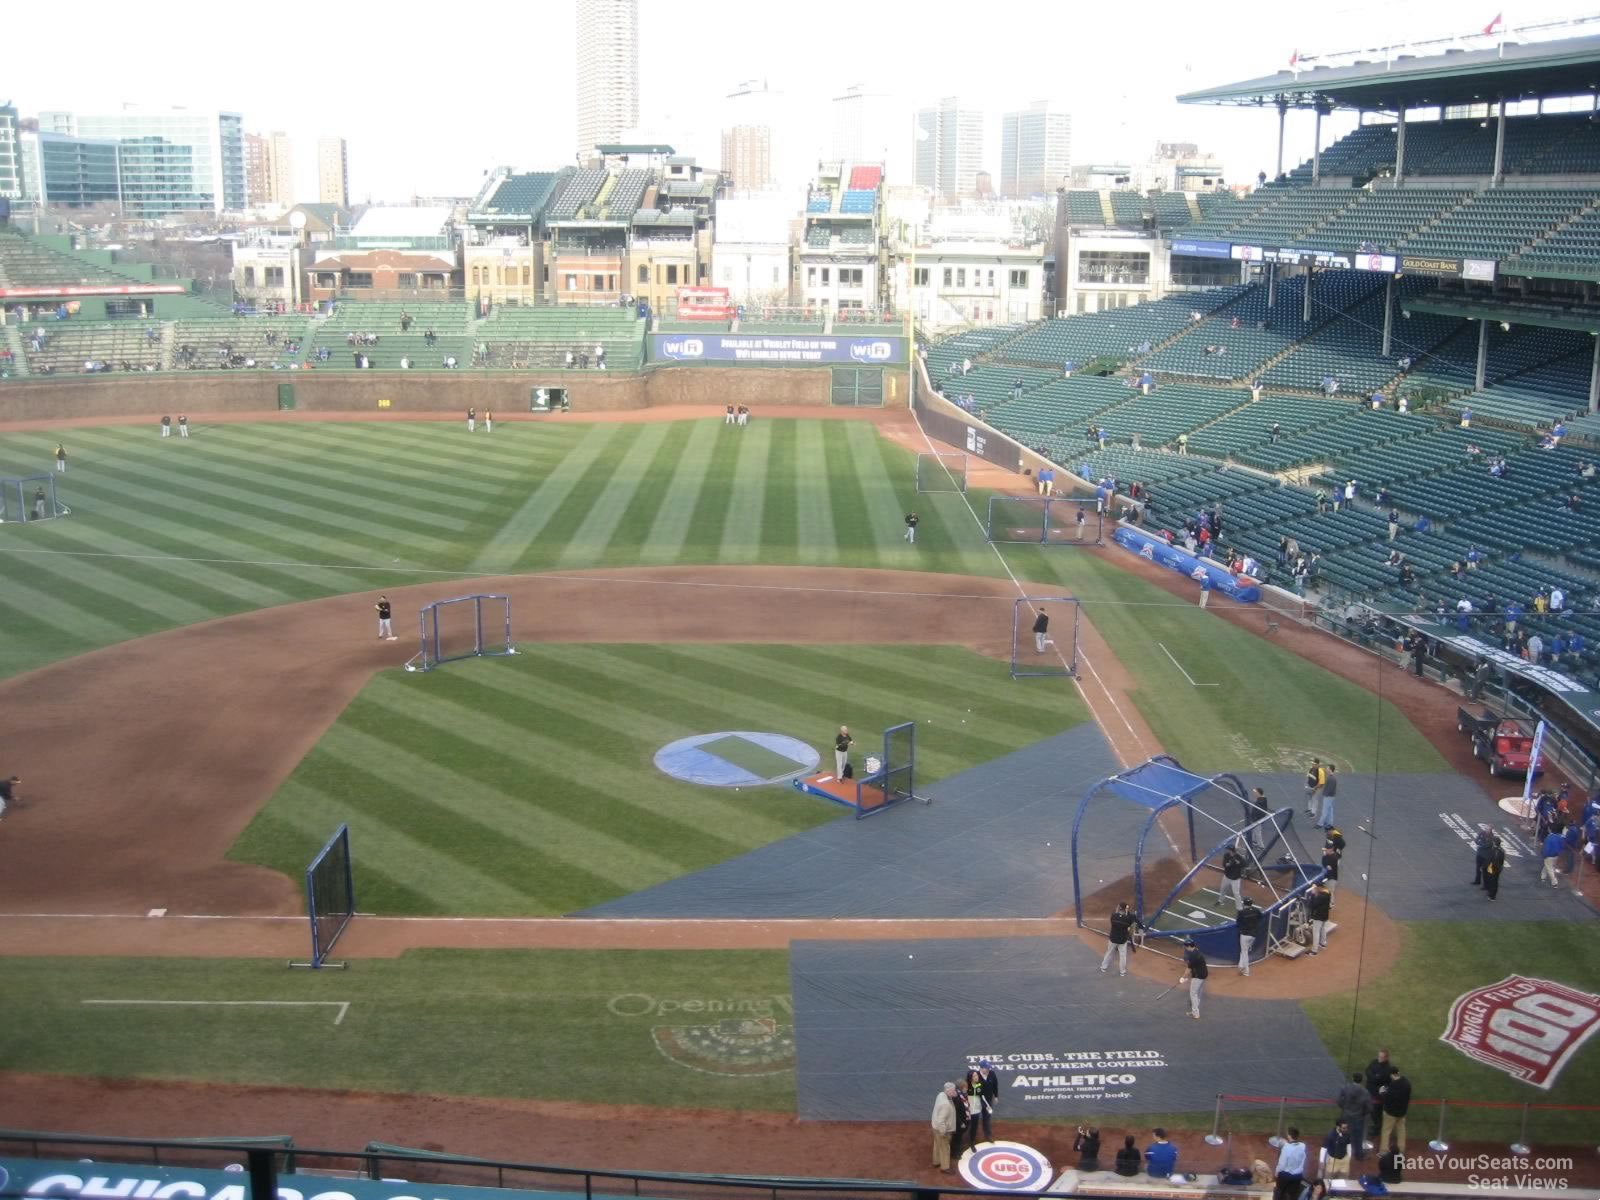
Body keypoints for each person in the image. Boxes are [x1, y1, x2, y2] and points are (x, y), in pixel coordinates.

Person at [1101, 900, 1143, 976]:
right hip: (1122, 940)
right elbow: (1133, 922)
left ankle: (1103, 967)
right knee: (1123, 956)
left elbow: (1118, 916)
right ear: (1125, 909)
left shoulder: (1113, 916)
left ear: (1119, 908)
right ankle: (1122, 972)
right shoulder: (1129, 919)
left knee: (1109, 953)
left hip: (1113, 939)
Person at [1337, 1074, 1372, 1159]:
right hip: (1358, 1118)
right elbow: (1369, 1107)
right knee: (1358, 1137)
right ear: (1361, 1080)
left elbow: (1339, 1101)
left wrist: (1345, 1109)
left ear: (1353, 1079)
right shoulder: (1365, 1091)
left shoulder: (1345, 1088)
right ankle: (1359, 1155)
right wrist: (1362, 1113)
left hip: (1346, 1116)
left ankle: (1342, 1152)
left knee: (1344, 1134)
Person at [1378, 1067, 1410, 1153]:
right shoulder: (1407, 1083)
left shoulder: (1393, 1086)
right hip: (1402, 1112)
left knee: (1386, 1131)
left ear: (1392, 1075)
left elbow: (1387, 1099)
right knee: (1401, 1131)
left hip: (1390, 1113)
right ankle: (1401, 1150)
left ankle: (1384, 1150)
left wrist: (1382, 1093)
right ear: (1398, 1073)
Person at [1362, 1050, 1391, 1146]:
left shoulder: (1387, 1069)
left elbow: (1379, 1079)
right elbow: (1367, 1071)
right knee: (1371, 1110)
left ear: (1386, 1058)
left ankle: (1377, 1129)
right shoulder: (1374, 1062)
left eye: (1382, 1057)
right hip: (1370, 1091)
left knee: (1376, 1112)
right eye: (1379, 1056)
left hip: (1377, 1095)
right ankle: (1376, 1126)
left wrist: (1373, 1077)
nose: (1379, 1058)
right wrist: (1374, 1076)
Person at [968, 1060, 998, 1144]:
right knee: (975, 1118)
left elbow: (995, 1085)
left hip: (988, 1100)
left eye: (988, 1068)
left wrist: (996, 1096)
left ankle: (988, 1135)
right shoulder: (975, 1076)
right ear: (981, 1068)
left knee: (987, 1117)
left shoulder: (992, 1074)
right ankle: (972, 1137)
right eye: (986, 1068)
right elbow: (971, 1087)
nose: (988, 1069)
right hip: (977, 1100)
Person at [931, 1083, 959, 1172]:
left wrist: (952, 1096)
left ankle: (936, 1162)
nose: (955, 1092)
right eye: (953, 1090)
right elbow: (941, 1120)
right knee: (945, 1148)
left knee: (937, 1145)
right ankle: (945, 1167)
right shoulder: (946, 1105)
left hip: (935, 1127)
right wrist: (943, 1132)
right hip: (942, 1130)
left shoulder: (941, 1095)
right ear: (948, 1090)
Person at [1273, 1128, 1307, 1200]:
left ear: (1289, 1136)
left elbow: (1282, 1164)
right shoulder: (1303, 1146)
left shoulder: (1286, 1148)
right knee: (1293, 1195)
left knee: (1280, 1193)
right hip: (1297, 1176)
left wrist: (1277, 1171)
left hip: (1285, 1176)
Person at [1179, 937, 1208, 1019]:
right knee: (1197, 992)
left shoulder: (1193, 956)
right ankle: (1196, 1008)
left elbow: (1188, 969)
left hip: (1198, 976)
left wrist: (1182, 978)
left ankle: (1195, 1013)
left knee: (1193, 994)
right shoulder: (1196, 950)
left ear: (1188, 946)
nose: (1184, 948)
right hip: (1204, 974)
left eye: (1185, 946)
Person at [1236, 895, 1262, 976]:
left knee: (1244, 952)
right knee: (1245, 950)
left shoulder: (1242, 912)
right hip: (1254, 935)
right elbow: (1260, 917)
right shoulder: (1256, 910)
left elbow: (1238, 922)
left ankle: (1246, 971)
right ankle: (1240, 966)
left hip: (1245, 935)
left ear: (1244, 904)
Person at [1306, 880, 1332, 954]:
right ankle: (1323, 943)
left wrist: (1312, 895)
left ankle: (1314, 950)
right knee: (1323, 928)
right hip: (1325, 914)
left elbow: (1311, 905)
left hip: (1318, 916)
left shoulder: (1319, 896)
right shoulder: (1327, 892)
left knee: (1316, 932)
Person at [1220, 845, 1246, 909]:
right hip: (1227, 876)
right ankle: (1221, 900)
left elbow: (1244, 864)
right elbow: (1224, 864)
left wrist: (1239, 863)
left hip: (1235, 878)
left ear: (1230, 850)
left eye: (1228, 849)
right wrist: (1227, 864)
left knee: (1236, 893)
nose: (1226, 850)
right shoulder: (1226, 855)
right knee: (1223, 889)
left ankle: (1239, 907)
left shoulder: (1238, 857)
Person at [1484, 834, 1506, 901]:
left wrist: (1486, 866)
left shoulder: (1494, 851)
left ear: (1494, 843)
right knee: (1494, 881)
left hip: (1493, 868)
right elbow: (1501, 861)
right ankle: (1491, 893)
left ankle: (1492, 896)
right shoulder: (1502, 850)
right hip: (1497, 868)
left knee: (1493, 881)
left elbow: (1490, 860)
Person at [1318, 763, 1339, 829]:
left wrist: (1325, 794)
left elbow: (1329, 788)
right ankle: (1329, 823)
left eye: (1327, 768)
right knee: (1330, 810)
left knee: (1325, 810)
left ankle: (1320, 823)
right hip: (1331, 796)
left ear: (1330, 769)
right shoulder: (1332, 778)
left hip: (1328, 797)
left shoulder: (1331, 778)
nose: (1326, 769)